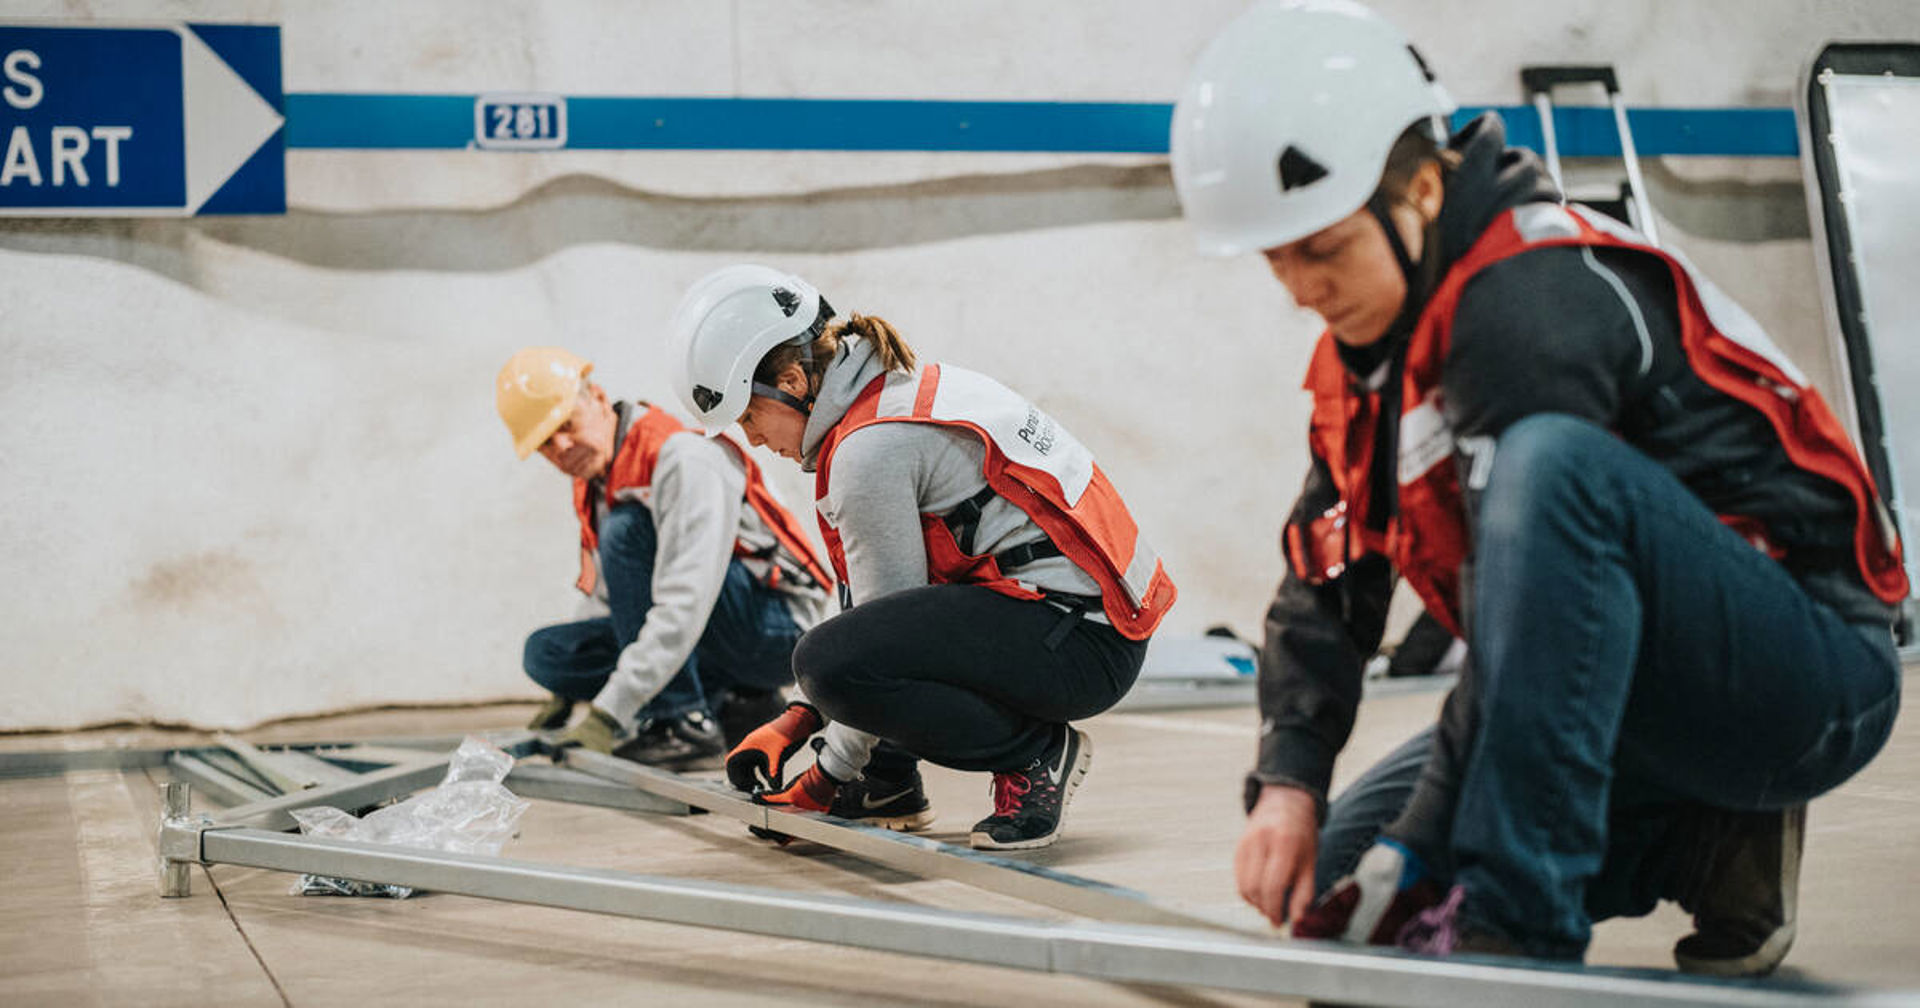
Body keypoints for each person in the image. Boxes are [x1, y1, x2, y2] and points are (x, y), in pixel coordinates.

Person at [1170, 0, 1905, 974]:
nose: (1301, 289)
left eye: (1324, 249)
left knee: (1554, 466)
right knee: (1345, 899)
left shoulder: (1529, 304)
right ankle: (1713, 842)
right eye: (1276, 258)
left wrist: (1430, 856)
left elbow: (1523, 611)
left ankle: (1522, 932)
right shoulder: (1370, 352)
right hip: (1643, 686)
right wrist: (1289, 784)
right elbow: (1330, 574)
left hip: (1809, 680)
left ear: (1421, 190)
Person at [664, 265, 1177, 848]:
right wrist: (800, 717)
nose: (753, 438)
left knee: (831, 663)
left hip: (1079, 646)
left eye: (749, 416)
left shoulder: (868, 451)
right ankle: (887, 784)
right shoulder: (894, 395)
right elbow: (876, 607)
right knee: (846, 655)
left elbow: (870, 640)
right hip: (1087, 624)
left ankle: (1035, 755)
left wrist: (825, 777)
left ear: (794, 381)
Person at [495, 346, 832, 767]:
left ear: (597, 398)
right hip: (710, 625)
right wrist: (566, 692)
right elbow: (610, 598)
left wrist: (607, 714)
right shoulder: (595, 478)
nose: (561, 447)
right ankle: (738, 701)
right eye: (545, 444)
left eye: (566, 425)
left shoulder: (683, 458)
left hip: (777, 631)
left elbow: (686, 598)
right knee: (548, 654)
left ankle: (683, 721)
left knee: (626, 529)